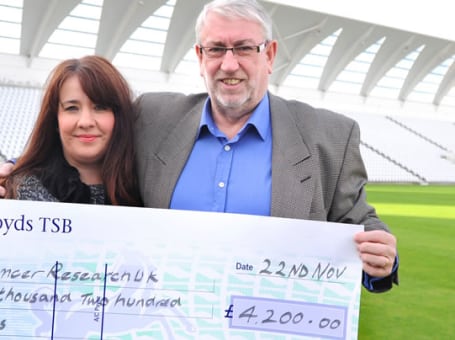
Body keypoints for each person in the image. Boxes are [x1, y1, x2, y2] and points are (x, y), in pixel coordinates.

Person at [1, 0, 397, 292]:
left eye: (244, 48)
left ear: (270, 54)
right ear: (199, 55)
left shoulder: (330, 135)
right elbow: (84, 141)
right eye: (216, 49)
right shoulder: (153, 116)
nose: (229, 64)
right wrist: (15, 174)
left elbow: (360, 221)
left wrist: (381, 261)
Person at [0, 55, 142, 206]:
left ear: (119, 116)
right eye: (72, 108)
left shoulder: (148, 189)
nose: (86, 122)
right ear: (55, 119)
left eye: (100, 107)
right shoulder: (17, 191)